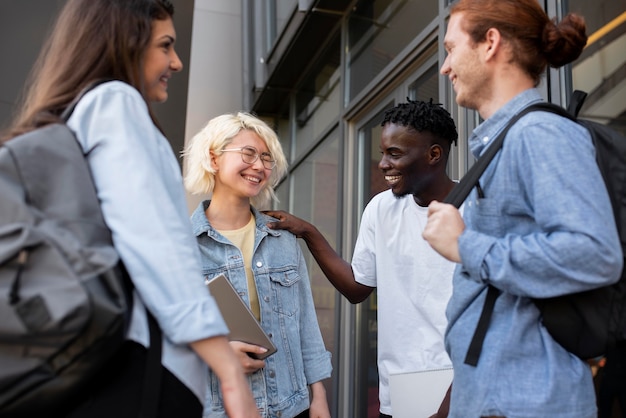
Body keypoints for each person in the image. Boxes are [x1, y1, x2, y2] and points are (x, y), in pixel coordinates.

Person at [2, 1, 260, 417]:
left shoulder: (75, 115)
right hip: (140, 370)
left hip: (97, 366)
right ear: (125, 44)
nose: (176, 62)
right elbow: (154, 239)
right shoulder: (116, 101)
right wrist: (226, 367)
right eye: (165, 46)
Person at [422, 1, 624, 417]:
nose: (445, 67)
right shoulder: (509, 140)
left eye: (451, 47)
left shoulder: (540, 134)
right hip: (499, 394)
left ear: (490, 43)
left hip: (524, 399)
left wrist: (465, 246)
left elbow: (595, 253)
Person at [264, 99, 459, 418]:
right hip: (401, 392)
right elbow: (357, 287)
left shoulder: (475, 210)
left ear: (434, 154)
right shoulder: (381, 208)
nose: (383, 164)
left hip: (461, 388)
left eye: (394, 153)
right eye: (383, 152)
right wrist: (309, 232)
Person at [183, 112, 333, 418]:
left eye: (266, 158)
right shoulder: (182, 246)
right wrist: (216, 355)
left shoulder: (282, 239)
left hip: (291, 406)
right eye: (248, 153)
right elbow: (166, 334)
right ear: (214, 159)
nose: (259, 166)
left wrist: (318, 394)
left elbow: (305, 323)